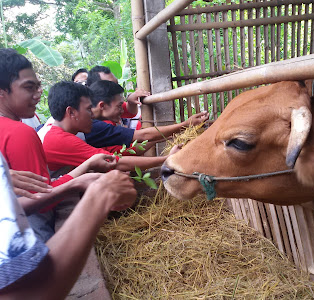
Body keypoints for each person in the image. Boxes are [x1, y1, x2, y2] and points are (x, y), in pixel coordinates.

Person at [0, 48, 117, 242]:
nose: (38, 93)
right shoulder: (19, 132)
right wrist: (78, 181)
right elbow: (40, 199)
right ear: (2, 92)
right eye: (29, 87)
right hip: (29, 235)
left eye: (38, 86)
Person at [0, 151, 136, 299]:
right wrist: (100, 197)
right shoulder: (23, 134)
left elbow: (15, 206)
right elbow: (26, 294)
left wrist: (76, 183)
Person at [41, 81, 181, 173]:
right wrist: (166, 158)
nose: (92, 115)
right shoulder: (62, 139)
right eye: (89, 109)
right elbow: (115, 161)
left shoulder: (63, 129)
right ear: (71, 112)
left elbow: (119, 153)